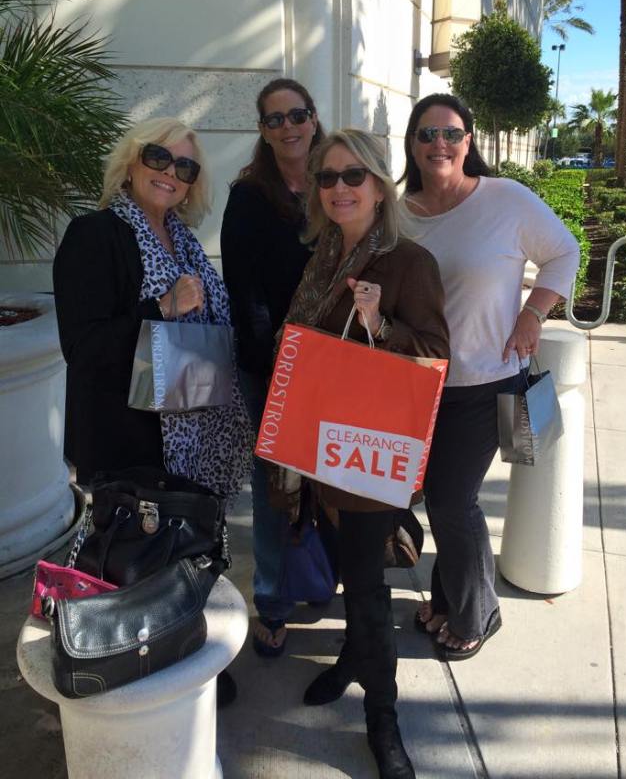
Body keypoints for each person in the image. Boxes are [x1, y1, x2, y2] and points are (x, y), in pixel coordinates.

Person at [53, 116, 253, 704]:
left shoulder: (186, 241)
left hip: (197, 430)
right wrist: (160, 306)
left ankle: (184, 648)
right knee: (139, 565)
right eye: (158, 158)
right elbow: (83, 346)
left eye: (184, 167)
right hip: (130, 439)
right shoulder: (96, 234)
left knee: (186, 555)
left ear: (193, 184)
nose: (170, 173)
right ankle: (140, 666)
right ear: (131, 161)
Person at [280, 129, 449, 779]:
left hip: (370, 451)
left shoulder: (408, 262)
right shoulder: (324, 251)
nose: (340, 188)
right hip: (319, 447)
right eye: (328, 177)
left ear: (379, 184)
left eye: (354, 176)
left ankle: (384, 718)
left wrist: (381, 325)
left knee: (370, 588)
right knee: (348, 570)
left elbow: (435, 355)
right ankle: (352, 659)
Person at [399, 93, 580, 660]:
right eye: (427, 134)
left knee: (454, 503)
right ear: (412, 144)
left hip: (485, 380)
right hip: (417, 383)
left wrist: (532, 313)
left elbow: (564, 252)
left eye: (451, 133)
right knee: (435, 500)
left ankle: (478, 612)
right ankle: (450, 597)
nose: (439, 144)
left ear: (468, 142)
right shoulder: (399, 212)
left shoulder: (504, 199)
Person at [220, 78, 325, 657]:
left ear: (314, 118)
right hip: (275, 364)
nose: (288, 127)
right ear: (262, 129)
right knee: (273, 486)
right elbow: (244, 289)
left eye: (297, 115)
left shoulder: (337, 178)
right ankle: (273, 599)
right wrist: (274, 358)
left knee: (327, 476)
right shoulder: (250, 195)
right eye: (274, 119)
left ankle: (315, 574)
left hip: (336, 361)